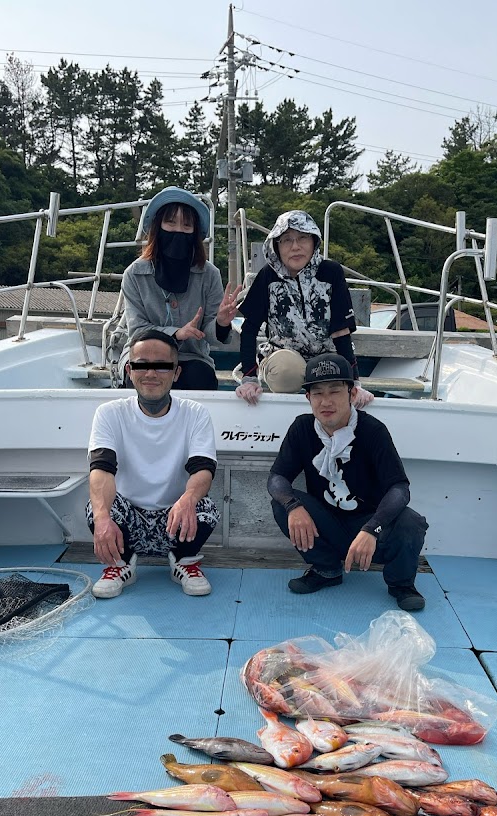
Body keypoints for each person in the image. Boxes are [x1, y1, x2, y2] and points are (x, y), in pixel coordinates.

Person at [268, 355, 428, 611]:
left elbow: (399, 487)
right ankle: (326, 570)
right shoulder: (301, 428)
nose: (326, 401)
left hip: (369, 525)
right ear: (308, 398)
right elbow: (277, 478)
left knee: (411, 521)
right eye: (317, 393)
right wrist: (292, 506)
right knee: (281, 504)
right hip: (327, 524)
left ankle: (401, 583)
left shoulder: (373, 430)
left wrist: (372, 528)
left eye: (335, 391)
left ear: (352, 394)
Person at [87, 327, 219, 599]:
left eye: (161, 366)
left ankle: (183, 562)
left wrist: (188, 499)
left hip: (174, 518)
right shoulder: (109, 413)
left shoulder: (195, 414)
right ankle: (121, 564)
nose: (151, 374)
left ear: (176, 372)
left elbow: (203, 470)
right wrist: (102, 519)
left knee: (205, 508)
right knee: (96, 508)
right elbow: (101, 471)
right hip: (129, 518)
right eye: (142, 366)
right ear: (129, 370)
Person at [235, 210, 374, 407]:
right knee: (287, 373)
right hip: (283, 356)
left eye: (303, 238)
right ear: (276, 245)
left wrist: (355, 383)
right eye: (286, 240)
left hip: (326, 356)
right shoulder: (267, 276)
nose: (295, 247)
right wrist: (249, 379)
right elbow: (249, 329)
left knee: (331, 375)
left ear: (314, 241)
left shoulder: (331, 272)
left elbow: (341, 332)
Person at [119, 186, 241, 390]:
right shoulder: (134, 274)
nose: (178, 230)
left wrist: (220, 323)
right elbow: (137, 330)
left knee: (199, 377)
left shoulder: (210, 274)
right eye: (170, 222)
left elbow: (210, 335)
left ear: (195, 232)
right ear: (158, 227)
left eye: (186, 225)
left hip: (191, 355)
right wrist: (176, 333)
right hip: (145, 353)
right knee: (142, 377)